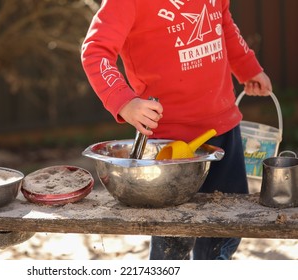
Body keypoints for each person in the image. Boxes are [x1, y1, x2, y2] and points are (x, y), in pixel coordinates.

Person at [81, 0, 272, 260]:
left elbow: (222, 24)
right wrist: (124, 101)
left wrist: (248, 67)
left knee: (226, 224)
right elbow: (95, 51)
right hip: (168, 142)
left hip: (223, 127)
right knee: (172, 236)